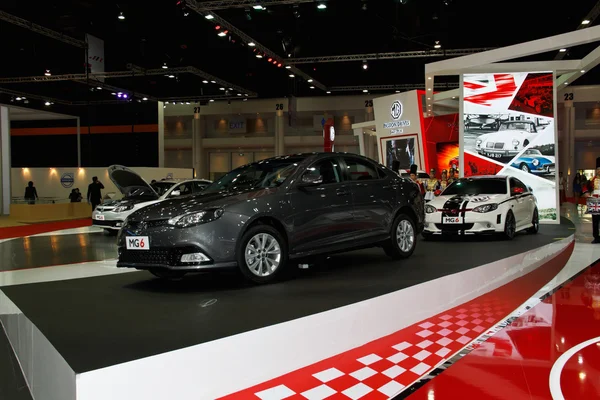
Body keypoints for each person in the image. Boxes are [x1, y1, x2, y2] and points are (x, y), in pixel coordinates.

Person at [585, 159, 600, 243]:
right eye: (597, 169)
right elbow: (585, 188)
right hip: (595, 201)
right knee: (595, 220)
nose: (599, 171)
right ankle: (596, 237)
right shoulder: (591, 180)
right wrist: (586, 193)